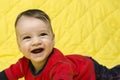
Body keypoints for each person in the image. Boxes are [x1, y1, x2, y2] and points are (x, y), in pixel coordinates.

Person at [0, 9, 119, 80]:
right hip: (76, 63)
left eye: (42, 34)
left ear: (53, 39)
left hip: (89, 69)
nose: (36, 42)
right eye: (27, 37)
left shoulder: (60, 66)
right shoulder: (23, 64)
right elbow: (7, 75)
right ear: (19, 46)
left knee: (113, 76)